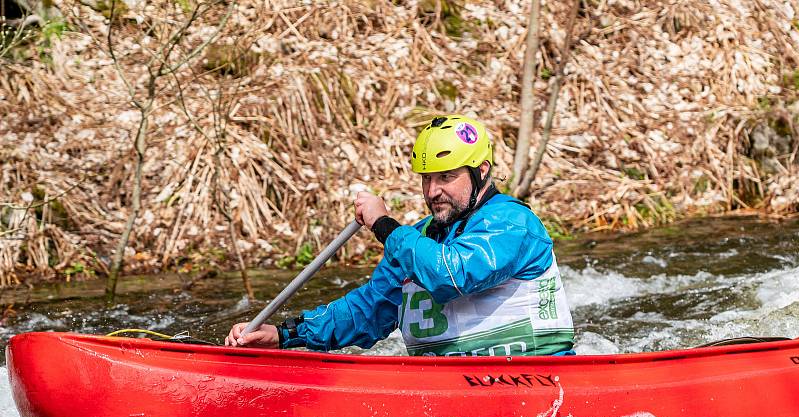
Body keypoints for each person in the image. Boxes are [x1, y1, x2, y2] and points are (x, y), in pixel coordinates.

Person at [225, 114, 575, 356]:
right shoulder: (419, 237)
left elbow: (451, 276)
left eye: (446, 177)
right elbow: (369, 311)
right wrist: (284, 335)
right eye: (426, 178)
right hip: (447, 393)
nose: (433, 190)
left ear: (481, 171)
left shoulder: (512, 222)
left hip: (536, 380)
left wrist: (383, 225)